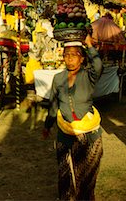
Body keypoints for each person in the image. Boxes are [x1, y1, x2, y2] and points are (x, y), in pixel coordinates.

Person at [43, 34, 103, 200]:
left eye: (73, 55)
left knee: (86, 180)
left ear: (82, 58)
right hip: (65, 135)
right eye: (66, 55)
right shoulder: (58, 78)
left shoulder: (88, 76)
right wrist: (47, 126)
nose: (69, 59)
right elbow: (54, 104)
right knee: (65, 177)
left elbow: (97, 65)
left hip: (89, 137)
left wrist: (90, 45)